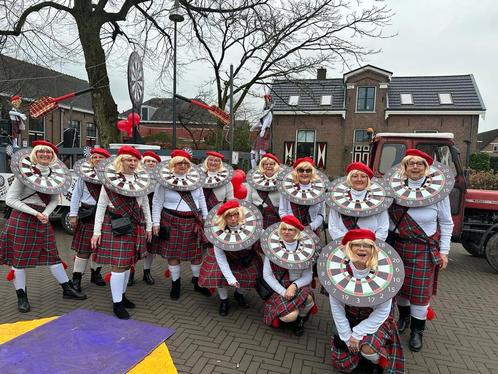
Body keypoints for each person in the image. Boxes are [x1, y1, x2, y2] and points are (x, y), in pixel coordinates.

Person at [0, 140, 86, 313]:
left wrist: (46, 213)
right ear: (35, 154)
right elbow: (10, 200)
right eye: (42, 152)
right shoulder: (24, 173)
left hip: (42, 219)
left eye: (49, 152)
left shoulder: (56, 175)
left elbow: (55, 200)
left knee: (52, 255)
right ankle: (21, 296)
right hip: (23, 218)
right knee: (19, 260)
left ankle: (67, 289)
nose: (45, 154)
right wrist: (35, 213)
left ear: (53, 156)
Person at [388, 149, 453, 352]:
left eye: (420, 164)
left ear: (426, 168)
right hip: (399, 245)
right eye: (411, 164)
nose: (415, 167)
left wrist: (444, 251)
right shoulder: (393, 189)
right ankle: (404, 318)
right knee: (399, 288)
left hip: (424, 249)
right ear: (405, 168)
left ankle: (418, 331)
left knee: (419, 293)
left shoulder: (438, 193)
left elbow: (446, 222)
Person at [329, 229, 404, 373]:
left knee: (368, 350)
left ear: (373, 249)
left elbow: (382, 311)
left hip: (375, 320)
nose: (362, 249)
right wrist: (346, 337)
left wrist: (357, 334)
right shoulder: (336, 272)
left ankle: (378, 362)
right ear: (349, 248)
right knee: (342, 364)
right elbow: (336, 307)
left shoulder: (384, 271)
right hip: (350, 318)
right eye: (357, 245)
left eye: (367, 245)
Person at [90, 145, 152, 319]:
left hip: (135, 224)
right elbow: (101, 206)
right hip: (114, 224)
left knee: (127, 263)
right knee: (118, 265)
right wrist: (97, 232)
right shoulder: (109, 179)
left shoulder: (142, 179)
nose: (132, 163)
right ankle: (117, 304)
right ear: (120, 161)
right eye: (128, 159)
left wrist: (148, 226)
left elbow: (145, 204)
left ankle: (122, 296)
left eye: (135, 160)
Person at [152, 149, 210, 299]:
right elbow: (157, 202)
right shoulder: (163, 182)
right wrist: (156, 223)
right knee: (173, 254)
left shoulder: (196, 181)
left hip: (192, 221)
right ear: (173, 165)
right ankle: (175, 284)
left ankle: (198, 283)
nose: (182, 165)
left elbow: (202, 200)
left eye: (185, 163)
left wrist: (206, 218)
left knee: (196, 254)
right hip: (171, 220)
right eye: (179, 163)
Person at [198, 200, 261, 316]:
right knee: (218, 275)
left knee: (252, 275)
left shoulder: (251, 226)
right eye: (229, 216)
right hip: (226, 257)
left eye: (235, 214)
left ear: (239, 214)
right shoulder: (217, 233)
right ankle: (224, 300)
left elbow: (263, 236)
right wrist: (231, 279)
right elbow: (221, 259)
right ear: (224, 218)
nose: (233, 219)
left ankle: (239, 294)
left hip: (244, 256)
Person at [262, 215, 317, 336]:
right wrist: (283, 292)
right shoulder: (271, 246)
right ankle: (290, 315)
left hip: (298, 285)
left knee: (309, 299)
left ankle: (300, 320)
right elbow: (267, 275)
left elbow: (308, 276)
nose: (286, 232)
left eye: (290, 229)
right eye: (284, 229)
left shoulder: (308, 249)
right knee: (290, 316)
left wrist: (294, 286)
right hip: (279, 286)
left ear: (297, 232)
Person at [70, 147, 111, 292]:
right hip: (87, 214)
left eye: (101, 157)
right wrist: (73, 215)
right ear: (91, 160)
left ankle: (96, 274)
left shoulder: (112, 176)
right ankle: (76, 278)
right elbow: (76, 195)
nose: (97, 159)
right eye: (94, 157)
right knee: (83, 250)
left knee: (99, 248)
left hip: (105, 215)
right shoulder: (84, 176)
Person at [328, 162, 389, 241]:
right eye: (355, 176)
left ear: (368, 179)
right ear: (350, 178)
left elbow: (383, 228)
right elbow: (333, 227)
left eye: (363, 176)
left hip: (369, 246)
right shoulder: (337, 199)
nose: (359, 179)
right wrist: (348, 242)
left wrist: (369, 244)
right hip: (345, 245)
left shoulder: (379, 199)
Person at [127, 150, 162, 286]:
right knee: (133, 246)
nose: (151, 163)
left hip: (154, 214)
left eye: (154, 161)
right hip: (136, 214)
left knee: (151, 246)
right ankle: (130, 272)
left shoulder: (161, 180)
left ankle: (147, 272)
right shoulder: (134, 176)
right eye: (148, 161)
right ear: (143, 162)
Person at [279, 157, 325, 234]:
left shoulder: (320, 190)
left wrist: (312, 226)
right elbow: (282, 211)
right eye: (301, 170)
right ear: (296, 172)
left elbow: (321, 214)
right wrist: (291, 225)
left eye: (308, 170)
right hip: (291, 230)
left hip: (312, 231)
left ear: (312, 172)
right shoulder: (287, 189)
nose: (304, 173)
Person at [246, 153, 282, 231]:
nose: (268, 166)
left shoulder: (282, 182)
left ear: (275, 166)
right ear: (262, 166)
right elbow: (248, 201)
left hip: (275, 216)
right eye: (265, 164)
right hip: (256, 216)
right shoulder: (253, 181)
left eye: (271, 164)